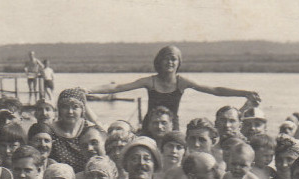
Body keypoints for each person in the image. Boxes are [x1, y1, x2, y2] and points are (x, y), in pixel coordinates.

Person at [87, 46, 260, 133]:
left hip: (173, 125)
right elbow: (118, 87)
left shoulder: (181, 82)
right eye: (166, 59)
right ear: (159, 62)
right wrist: (88, 90)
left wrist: (243, 93)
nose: (170, 63)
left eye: (173, 59)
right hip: (150, 125)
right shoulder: (151, 81)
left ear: (178, 63)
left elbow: (215, 89)